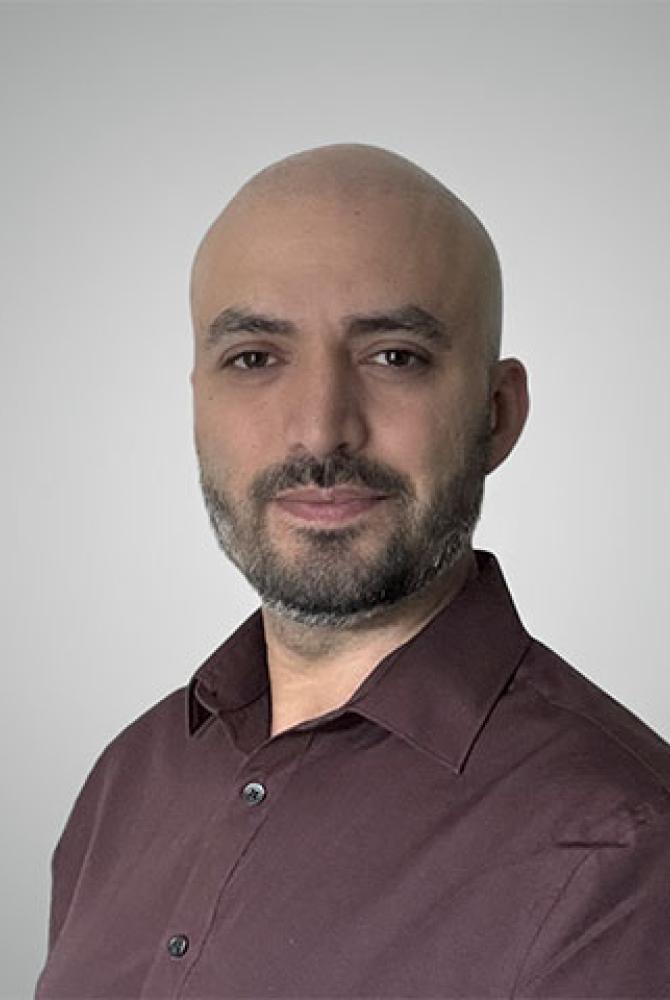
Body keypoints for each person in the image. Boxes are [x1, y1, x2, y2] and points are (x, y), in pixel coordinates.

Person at [36, 144, 670, 999]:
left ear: (496, 415)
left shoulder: (623, 849)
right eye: (255, 357)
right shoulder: (129, 780)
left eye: (394, 356)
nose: (320, 430)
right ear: (198, 404)